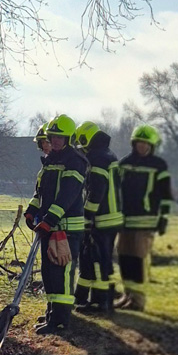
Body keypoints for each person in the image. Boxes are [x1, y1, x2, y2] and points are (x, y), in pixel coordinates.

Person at [24, 114, 88, 334]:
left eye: (61, 137)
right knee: (49, 274)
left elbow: (67, 196)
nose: (57, 141)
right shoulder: (50, 160)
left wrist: (49, 219)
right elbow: (40, 192)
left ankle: (61, 322)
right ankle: (52, 315)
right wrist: (31, 211)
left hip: (66, 229)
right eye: (54, 136)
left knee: (62, 275)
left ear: (69, 138)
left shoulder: (75, 161)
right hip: (50, 228)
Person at [115, 124, 172, 311]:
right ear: (134, 143)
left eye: (146, 144)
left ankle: (138, 301)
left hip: (146, 220)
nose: (142, 147)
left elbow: (165, 195)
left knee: (138, 260)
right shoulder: (124, 164)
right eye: (139, 143)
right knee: (124, 258)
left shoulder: (159, 165)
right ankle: (127, 295)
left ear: (152, 145)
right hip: (124, 220)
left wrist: (163, 218)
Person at [74, 121, 123, 314]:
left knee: (99, 261)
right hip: (113, 217)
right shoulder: (108, 154)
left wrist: (87, 217)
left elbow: (96, 191)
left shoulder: (96, 157)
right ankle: (96, 299)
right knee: (100, 260)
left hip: (102, 219)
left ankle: (99, 303)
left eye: (81, 142)